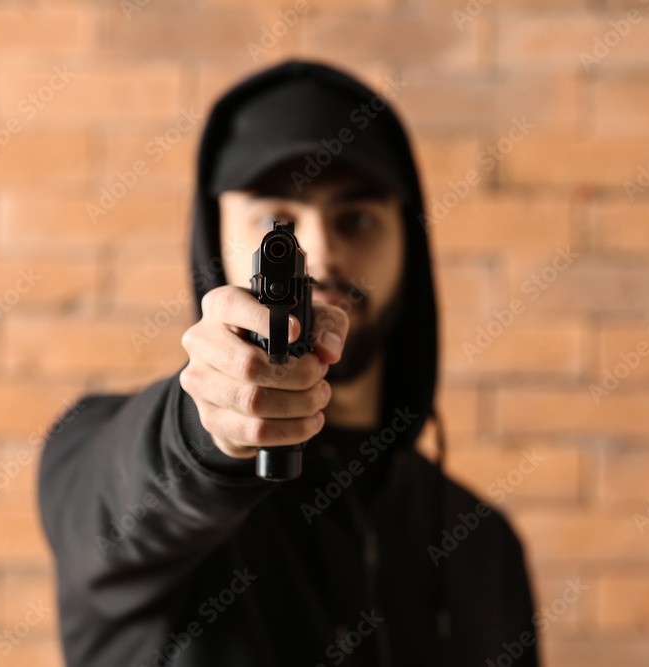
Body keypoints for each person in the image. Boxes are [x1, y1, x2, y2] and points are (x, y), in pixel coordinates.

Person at [37, 59, 540, 667]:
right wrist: (205, 432)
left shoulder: (480, 544)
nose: (321, 255)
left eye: (356, 218)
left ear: (410, 241)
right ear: (212, 238)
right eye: (276, 222)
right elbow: (117, 507)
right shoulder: (98, 459)